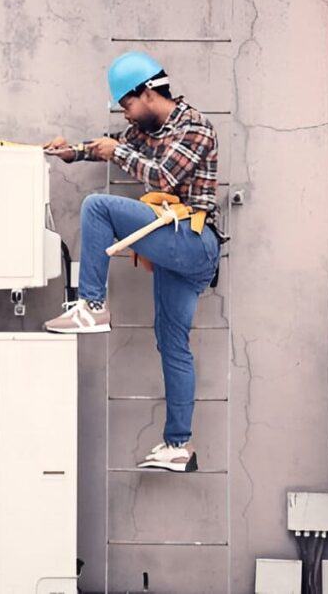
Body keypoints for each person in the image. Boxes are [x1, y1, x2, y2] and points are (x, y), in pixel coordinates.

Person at [43, 51, 223, 472]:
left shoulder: (196, 127)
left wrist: (114, 152)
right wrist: (73, 152)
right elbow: (114, 145)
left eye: (126, 105)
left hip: (194, 242)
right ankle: (179, 445)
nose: (125, 115)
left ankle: (91, 305)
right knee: (172, 344)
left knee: (97, 207)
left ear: (146, 93)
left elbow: (162, 177)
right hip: (175, 249)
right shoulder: (149, 128)